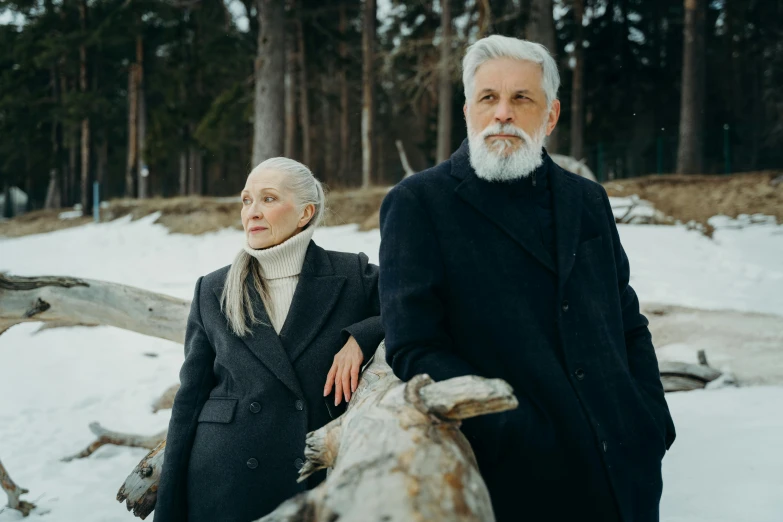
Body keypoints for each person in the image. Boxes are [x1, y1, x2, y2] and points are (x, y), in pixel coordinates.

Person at [378, 35, 675, 522]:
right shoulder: (419, 204)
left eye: (521, 98)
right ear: (469, 109)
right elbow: (414, 345)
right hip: (516, 480)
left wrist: (649, 421)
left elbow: (626, 321)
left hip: (624, 470)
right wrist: (511, 429)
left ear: (551, 115)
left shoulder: (587, 200)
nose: (502, 114)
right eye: (488, 98)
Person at [154, 158, 384, 522]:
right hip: (225, 480)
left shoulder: (351, 275)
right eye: (247, 200)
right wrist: (169, 510)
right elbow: (190, 397)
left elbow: (418, 305)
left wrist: (361, 337)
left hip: (317, 476)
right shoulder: (213, 288)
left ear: (306, 213)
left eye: (269, 199)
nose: (252, 212)